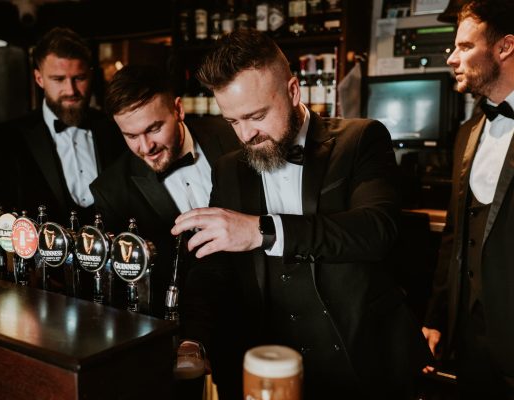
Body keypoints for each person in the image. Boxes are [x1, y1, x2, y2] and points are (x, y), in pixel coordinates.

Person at [170, 29, 431, 399]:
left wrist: (261, 231)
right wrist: (193, 337)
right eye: (233, 122)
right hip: (269, 366)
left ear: (293, 91)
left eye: (256, 115)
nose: (245, 135)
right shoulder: (230, 169)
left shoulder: (360, 140)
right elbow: (215, 266)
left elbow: (377, 230)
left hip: (362, 361)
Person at [89, 64, 239, 318]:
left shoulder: (233, 135)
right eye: (131, 135)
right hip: (182, 322)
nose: (146, 147)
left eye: (154, 129)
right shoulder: (111, 190)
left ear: (178, 109)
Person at [422, 0, 514, 398]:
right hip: (471, 344)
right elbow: (455, 238)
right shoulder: (468, 131)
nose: (452, 58)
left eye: (464, 47)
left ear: (504, 47)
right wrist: (437, 317)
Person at [0, 27, 125, 225]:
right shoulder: (8, 138)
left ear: (90, 75)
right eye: (58, 79)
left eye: (79, 78)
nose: (70, 90)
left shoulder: (115, 128)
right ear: (39, 78)